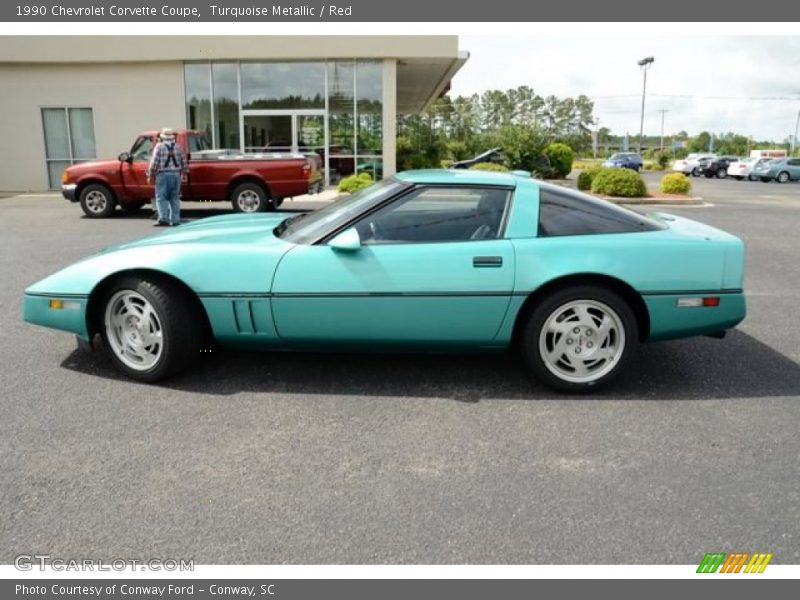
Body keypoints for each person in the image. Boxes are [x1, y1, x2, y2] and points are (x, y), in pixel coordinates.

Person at [147, 128, 188, 227]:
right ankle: (175, 220)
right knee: (175, 198)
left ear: (162, 137)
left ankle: (164, 219)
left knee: (161, 197)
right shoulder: (178, 147)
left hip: (163, 174)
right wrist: (185, 173)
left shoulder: (159, 146)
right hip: (176, 175)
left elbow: (154, 162)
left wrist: (150, 174)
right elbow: (184, 161)